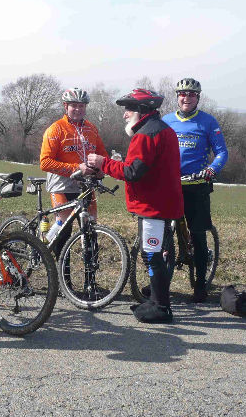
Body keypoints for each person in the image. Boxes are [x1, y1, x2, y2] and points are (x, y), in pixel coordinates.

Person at [87, 88, 183, 323]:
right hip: (161, 203)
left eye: (128, 109)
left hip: (153, 206)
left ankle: (161, 307)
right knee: (155, 253)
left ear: (141, 110)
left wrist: (103, 163)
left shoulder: (146, 135)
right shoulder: (161, 129)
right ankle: (155, 301)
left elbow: (132, 172)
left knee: (152, 254)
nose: (124, 115)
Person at [162, 78, 228, 303]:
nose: (186, 98)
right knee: (162, 237)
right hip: (170, 186)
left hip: (197, 185)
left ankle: (200, 284)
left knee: (198, 235)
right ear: (177, 96)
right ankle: (160, 283)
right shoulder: (166, 120)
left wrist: (211, 169)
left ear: (198, 97)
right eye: (182, 94)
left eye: (191, 94)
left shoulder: (208, 122)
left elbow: (221, 152)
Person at [39, 87, 108, 255]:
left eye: (82, 106)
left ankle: (90, 280)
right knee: (63, 229)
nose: (78, 109)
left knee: (91, 231)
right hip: (62, 186)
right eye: (74, 106)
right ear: (65, 106)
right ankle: (57, 269)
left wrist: (102, 169)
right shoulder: (56, 129)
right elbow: (45, 162)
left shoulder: (91, 129)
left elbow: (102, 155)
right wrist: (77, 168)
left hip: (85, 186)